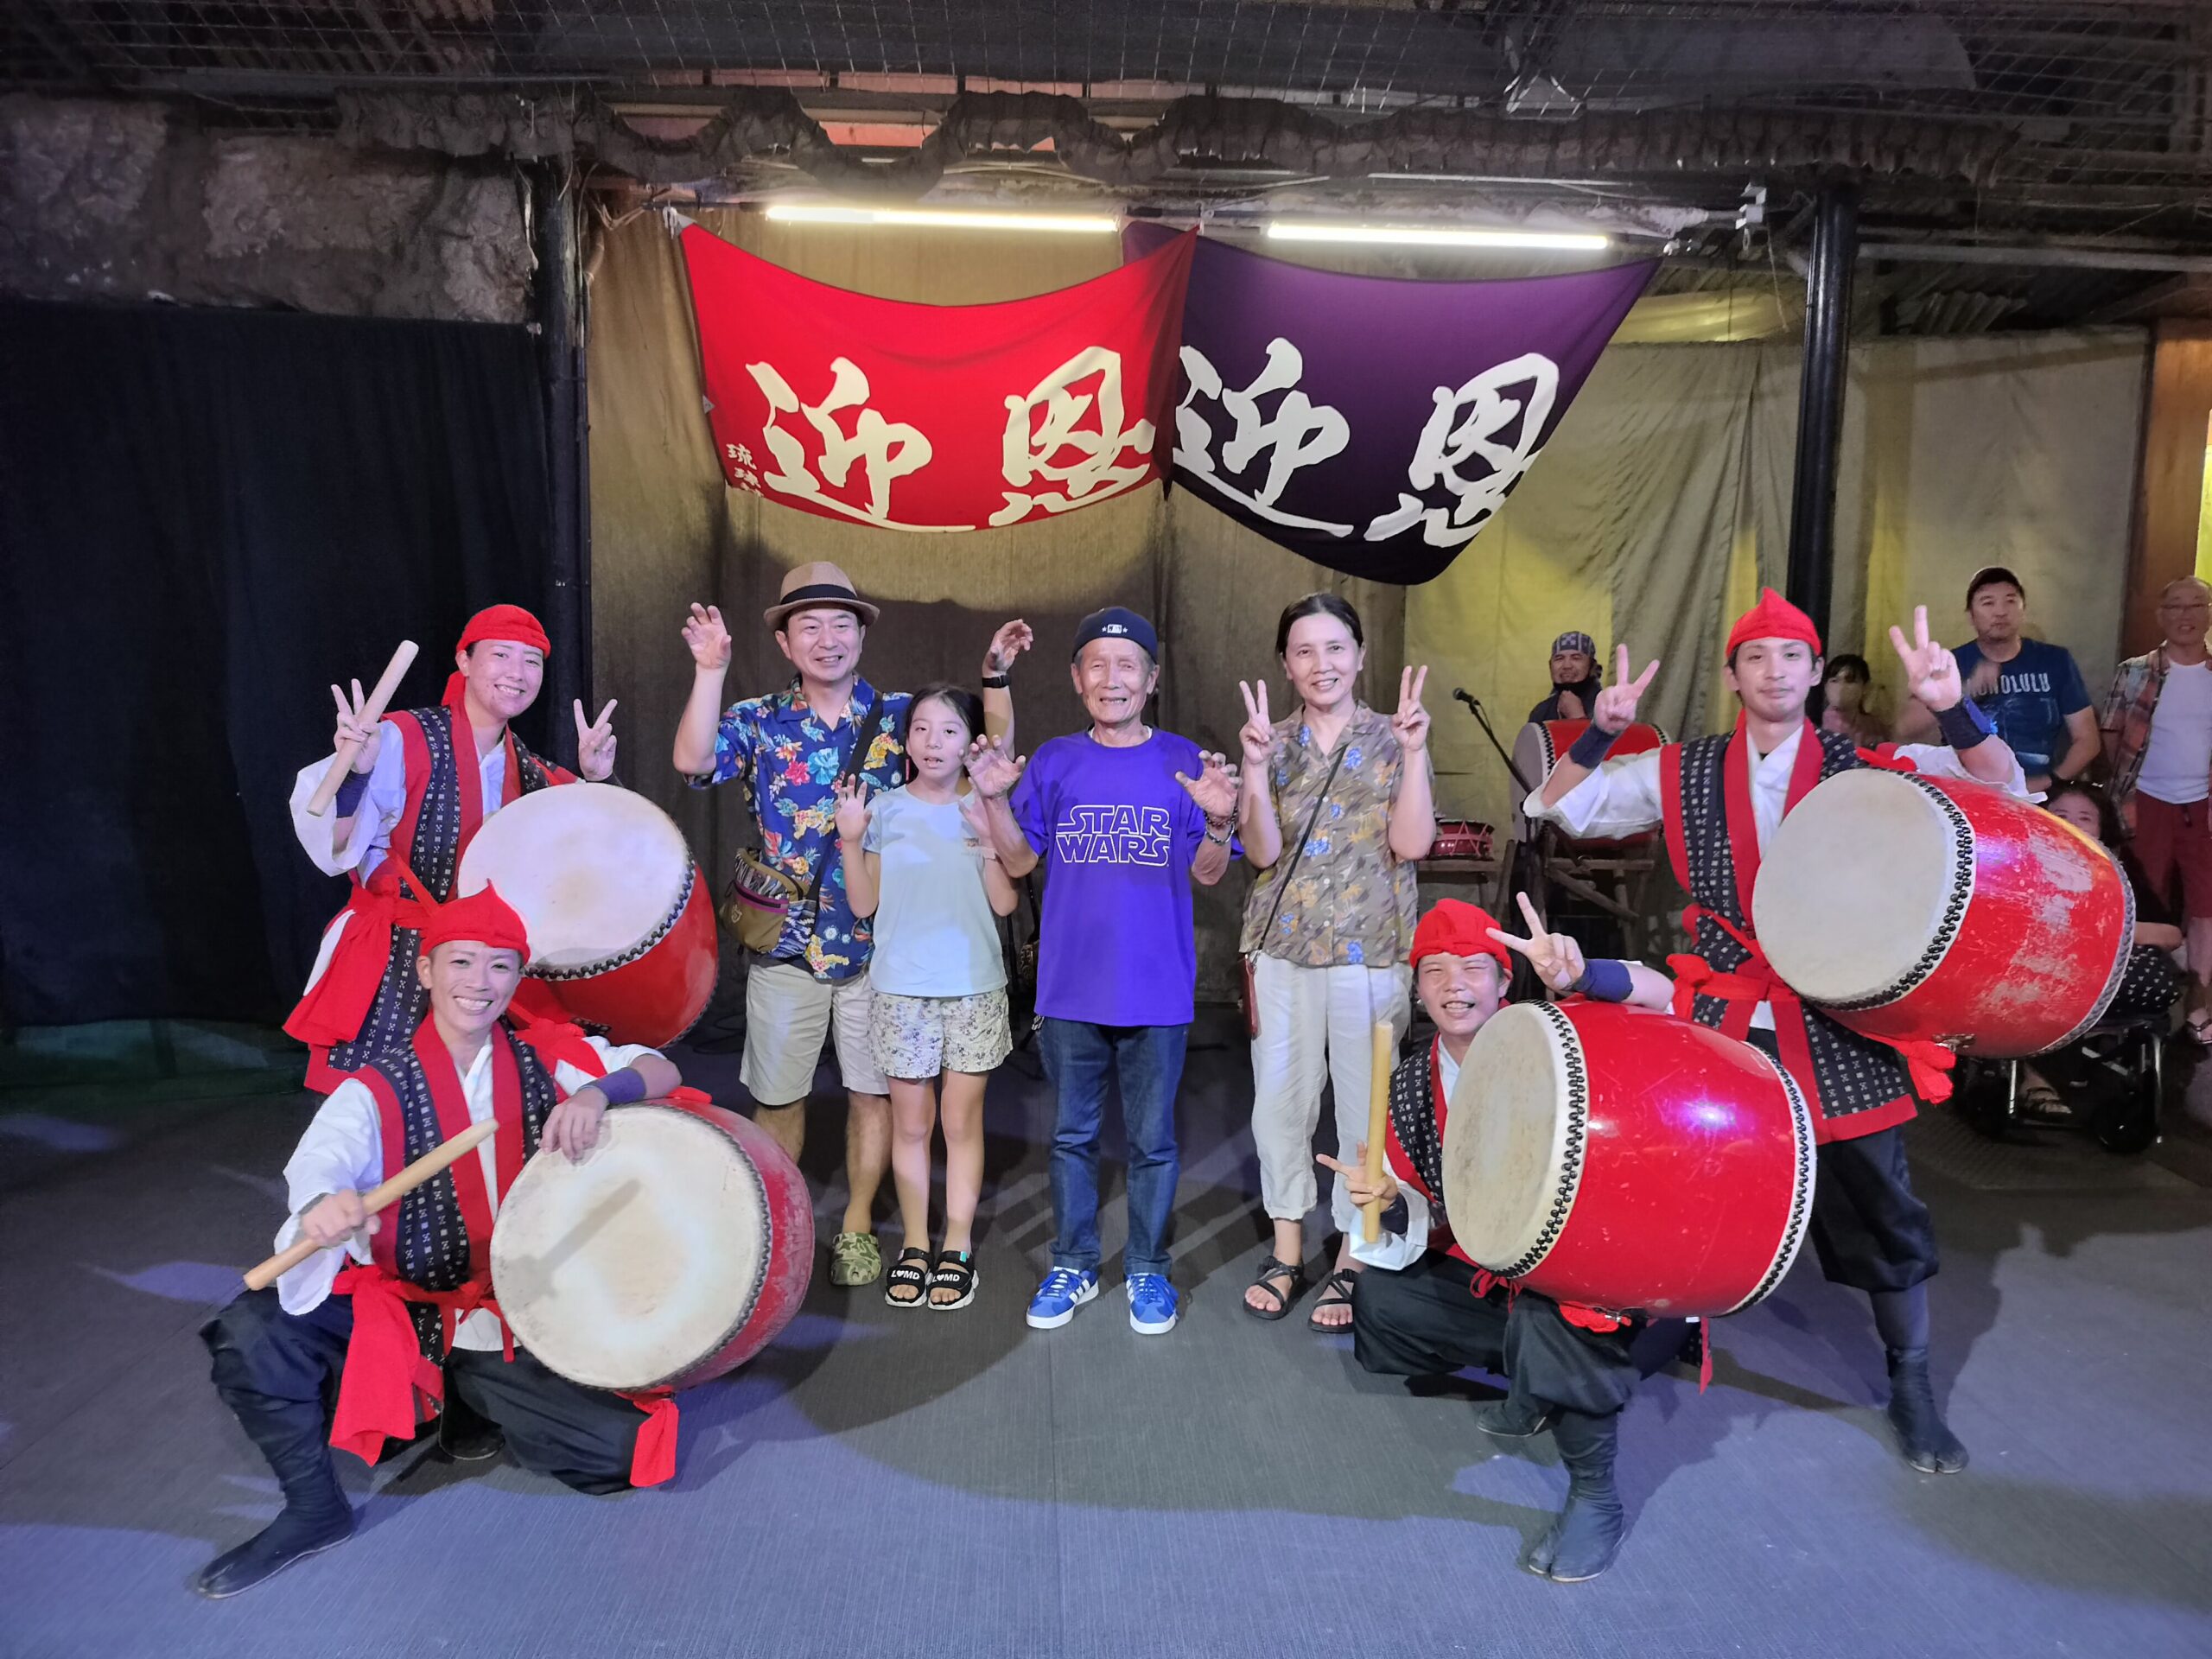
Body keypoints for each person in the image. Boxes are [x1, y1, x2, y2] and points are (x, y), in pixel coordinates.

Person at [1526, 588, 2026, 1478]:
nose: (1774, 672)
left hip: (1838, 1014)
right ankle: (1662, 1331)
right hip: (1724, 1013)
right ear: (1732, 676)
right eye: (1755, 657)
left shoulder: (1866, 765)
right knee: (1688, 1188)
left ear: (1813, 670)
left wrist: (1954, 708)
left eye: (1792, 656)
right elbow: (1560, 806)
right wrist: (1600, 733)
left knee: (1878, 1204)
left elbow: (2002, 787)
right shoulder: (1681, 768)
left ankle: (1910, 1379)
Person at [195, 878, 683, 1599]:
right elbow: (323, 1163)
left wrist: (594, 1093)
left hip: (508, 1311)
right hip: (406, 1306)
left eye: (499, 965)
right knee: (251, 1332)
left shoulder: (548, 1057)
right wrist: (327, 1204)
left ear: (517, 978)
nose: (479, 983)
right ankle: (314, 1509)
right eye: (460, 962)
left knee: (614, 1454)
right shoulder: (372, 1088)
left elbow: (659, 1068)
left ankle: (468, 1397)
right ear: (425, 970)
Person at [672, 563, 1027, 1288]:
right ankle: (780, 1227)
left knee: (873, 1094)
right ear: (784, 641)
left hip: (879, 951)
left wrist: (994, 676)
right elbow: (693, 761)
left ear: (862, 636)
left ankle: (859, 1225)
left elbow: (985, 747)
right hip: (787, 946)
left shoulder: (900, 717)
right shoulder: (759, 719)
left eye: (841, 624)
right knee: (779, 1096)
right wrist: (710, 671)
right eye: (809, 626)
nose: (827, 639)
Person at [1336, 896, 1679, 1582]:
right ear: (1418, 990)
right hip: (1499, 1272)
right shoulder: (1411, 1082)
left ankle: (1596, 1496)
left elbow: (1664, 996)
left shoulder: (1565, 1035)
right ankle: (1541, 1382)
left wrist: (1584, 974)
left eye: (1472, 967)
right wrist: (1389, 1205)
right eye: (1435, 971)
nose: (1453, 985)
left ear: (1503, 980)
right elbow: (1421, 1213)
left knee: (1553, 1306)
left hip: (1602, 1280)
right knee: (1382, 1304)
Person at [964, 606, 1238, 1337]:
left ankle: (1148, 1266)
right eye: (1097, 665)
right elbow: (1020, 859)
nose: (1112, 679)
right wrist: (992, 798)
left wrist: (1218, 822)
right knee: (1072, 1138)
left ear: (1151, 679)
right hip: (1070, 988)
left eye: (1127, 667)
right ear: (1076, 678)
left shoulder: (1184, 760)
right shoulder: (1055, 760)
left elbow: (1210, 873)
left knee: (1153, 1143)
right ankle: (1075, 1262)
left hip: (1157, 990)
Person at [285, 603, 618, 1091]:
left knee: (492, 1100)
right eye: (501, 655)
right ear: (464, 661)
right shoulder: (399, 738)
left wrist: (598, 779)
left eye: (531, 661)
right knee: (382, 1103)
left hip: (482, 969)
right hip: (399, 957)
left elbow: (604, 846)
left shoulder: (532, 772)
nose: (517, 672)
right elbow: (334, 845)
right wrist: (355, 773)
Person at [1232, 593, 1434, 1331]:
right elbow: (1260, 853)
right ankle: (1287, 1248)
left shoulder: (1395, 733)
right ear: (1286, 664)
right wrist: (1255, 768)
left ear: (1360, 655)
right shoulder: (1272, 740)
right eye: (1305, 651)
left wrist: (1416, 753)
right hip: (1282, 950)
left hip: (1370, 953)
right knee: (1278, 1107)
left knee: (1364, 1110)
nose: (1323, 664)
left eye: (1336, 647)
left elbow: (1412, 844)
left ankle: (1354, 1255)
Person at [835, 684, 1019, 1312]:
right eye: (920, 729)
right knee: (911, 1126)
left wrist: (989, 836)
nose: (932, 742)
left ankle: (957, 1247)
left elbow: (1005, 903)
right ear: (905, 740)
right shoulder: (884, 809)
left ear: (971, 742)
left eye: (948, 730)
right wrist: (850, 839)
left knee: (960, 1124)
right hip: (901, 992)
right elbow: (864, 904)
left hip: (973, 989)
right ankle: (915, 1245)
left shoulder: (984, 806)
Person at [2101, 575, 2212, 1043]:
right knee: (2145, 903)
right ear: (2161, 615)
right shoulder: (2134, 671)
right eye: (2176, 606)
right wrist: (2122, 793)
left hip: (2203, 806)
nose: (2186, 615)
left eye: (2197, 605)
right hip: (2144, 802)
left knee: (2206, 907)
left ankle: (2199, 1004)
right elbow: (2110, 735)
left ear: (2209, 613)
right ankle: (2140, 1001)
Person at [1897, 567, 2095, 792]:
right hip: (1968, 790)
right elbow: (1905, 728)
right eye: (1988, 603)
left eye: (2010, 601)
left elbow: (2087, 739)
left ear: (2023, 610)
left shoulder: (2055, 660)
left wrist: (2049, 783)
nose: (2000, 612)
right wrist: (1964, 691)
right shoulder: (1949, 664)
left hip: (2042, 792)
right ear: (1971, 616)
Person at [1529, 629, 1602, 723]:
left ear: (1592, 666)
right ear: (1550, 666)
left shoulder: (1608, 707)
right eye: (1559, 659)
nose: (1567, 666)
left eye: (1576, 658)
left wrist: (1577, 718)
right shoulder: (1541, 711)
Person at [1817, 652, 1888, 746]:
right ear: (1826, 687)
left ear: (1865, 687)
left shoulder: (1874, 725)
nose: (1841, 687)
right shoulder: (1816, 724)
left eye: (1850, 681)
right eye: (1834, 681)